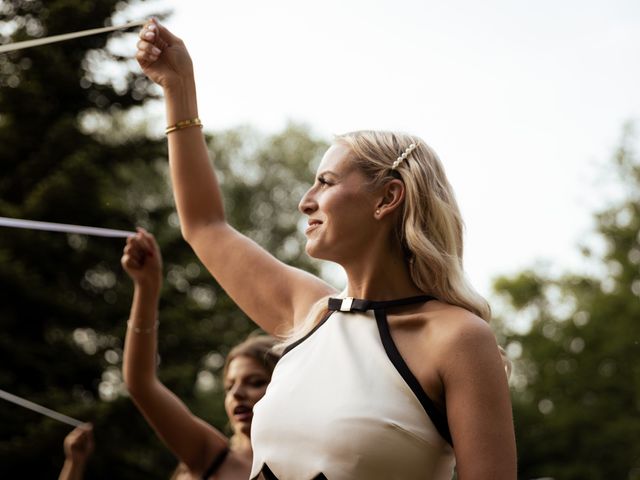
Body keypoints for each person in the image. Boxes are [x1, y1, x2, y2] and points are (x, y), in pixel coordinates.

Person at [135, 18, 517, 480]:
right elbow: (204, 225)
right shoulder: (310, 314)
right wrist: (178, 88)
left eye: (326, 182)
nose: (305, 201)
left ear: (388, 198)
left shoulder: (458, 339)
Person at [121, 229, 280, 479]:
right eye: (229, 387)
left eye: (256, 382)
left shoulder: (317, 466)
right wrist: (147, 286)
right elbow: (140, 383)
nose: (237, 394)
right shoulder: (211, 457)